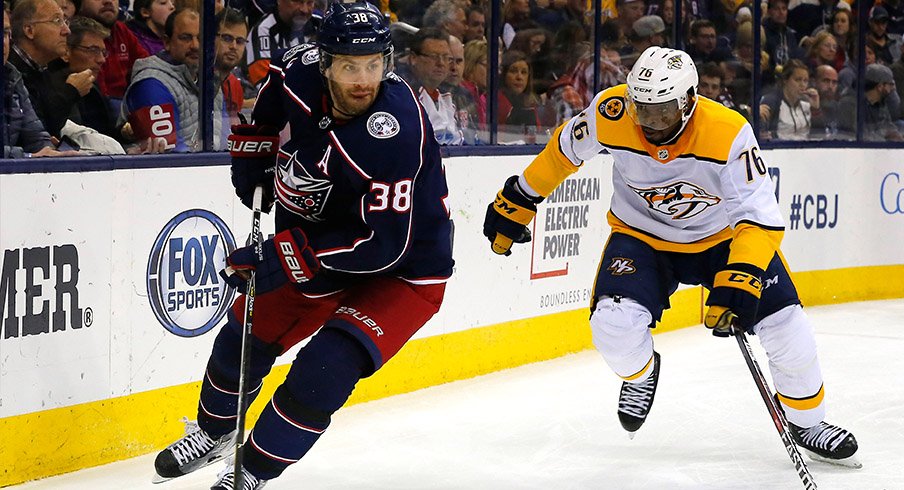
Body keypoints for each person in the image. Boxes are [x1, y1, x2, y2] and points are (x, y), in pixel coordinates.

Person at [483, 46, 860, 469]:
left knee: (787, 328)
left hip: (722, 239)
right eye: (642, 111)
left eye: (662, 113)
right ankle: (640, 375)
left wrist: (742, 276)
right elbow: (564, 151)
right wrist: (521, 195)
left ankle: (808, 422)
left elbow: (759, 217)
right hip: (642, 237)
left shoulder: (727, 131)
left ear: (689, 101)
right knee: (612, 325)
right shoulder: (611, 112)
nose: (650, 125)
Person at [151, 3, 453, 488]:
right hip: (321, 245)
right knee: (243, 333)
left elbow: (381, 246)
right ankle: (215, 432)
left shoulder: (395, 132)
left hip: (404, 267)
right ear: (324, 60)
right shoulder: (296, 70)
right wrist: (253, 153)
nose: (363, 79)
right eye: (350, 65)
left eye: (374, 64)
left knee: (325, 369)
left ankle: (250, 471)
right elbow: (267, 112)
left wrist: (278, 256)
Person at [120, 8, 225, 152]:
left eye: (201, 38)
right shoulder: (151, 84)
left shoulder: (211, 82)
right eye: (186, 38)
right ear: (167, 42)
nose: (195, 45)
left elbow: (227, 140)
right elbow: (170, 155)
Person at [244, 0, 318, 86]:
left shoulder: (320, 26)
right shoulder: (264, 31)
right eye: (298, 1)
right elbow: (266, 87)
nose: (304, 10)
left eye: (310, 3)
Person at [759, 59, 816, 141]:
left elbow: (820, 132)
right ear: (785, 80)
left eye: (805, 81)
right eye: (798, 80)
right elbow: (763, 135)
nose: (802, 85)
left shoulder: (807, 103)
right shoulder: (771, 101)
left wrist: (815, 109)